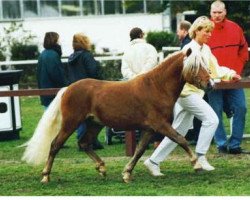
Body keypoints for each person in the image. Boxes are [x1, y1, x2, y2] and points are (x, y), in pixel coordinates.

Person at [144, 16, 241, 176]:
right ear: (196, 31)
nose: (209, 34)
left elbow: (215, 69)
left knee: (177, 132)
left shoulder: (206, 49)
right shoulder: (189, 50)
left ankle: (153, 161)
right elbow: (186, 75)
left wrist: (230, 74)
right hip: (187, 94)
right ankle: (201, 157)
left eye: (210, 31)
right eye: (206, 31)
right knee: (212, 119)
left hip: (192, 94)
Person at [206, 0, 249, 154]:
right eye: (214, 12)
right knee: (215, 111)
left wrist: (235, 71)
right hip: (214, 80)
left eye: (220, 12)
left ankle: (235, 144)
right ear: (210, 13)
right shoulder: (204, 30)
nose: (217, 15)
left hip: (233, 79)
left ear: (225, 12)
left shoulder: (235, 28)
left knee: (241, 108)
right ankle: (222, 144)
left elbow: (243, 52)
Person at [121, 27, 161, 148]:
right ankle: (156, 140)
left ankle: (142, 142)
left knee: (138, 114)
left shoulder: (127, 51)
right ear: (141, 35)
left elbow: (124, 70)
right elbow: (152, 63)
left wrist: (135, 78)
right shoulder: (150, 48)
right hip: (150, 86)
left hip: (133, 86)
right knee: (155, 113)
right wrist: (142, 76)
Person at [65, 32, 103, 150]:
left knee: (79, 117)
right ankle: (85, 141)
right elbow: (93, 72)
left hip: (75, 89)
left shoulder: (71, 57)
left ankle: (89, 140)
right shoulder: (86, 56)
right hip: (88, 90)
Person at [37, 32, 66, 109]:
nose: (60, 42)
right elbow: (57, 75)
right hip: (53, 96)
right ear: (54, 40)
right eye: (58, 40)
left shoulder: (43, 54)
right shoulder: (53, 55)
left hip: (45, 94)